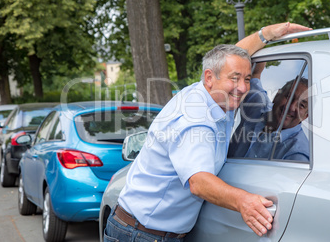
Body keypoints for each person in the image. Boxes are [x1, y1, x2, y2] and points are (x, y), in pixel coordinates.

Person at [104, 22, 312, 242]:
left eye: (247, 79)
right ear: (210, 77)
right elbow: (199, 182)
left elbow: (235, 58)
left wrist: (266, 34)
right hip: (140, 235)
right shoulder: (196, 118)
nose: (242, 87)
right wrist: (244, 201)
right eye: (235, 79)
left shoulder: (220, 97)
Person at [228, 74, 309, 162]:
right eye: (289, 97)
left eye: (301, 105)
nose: (291, 107)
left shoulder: (298, 155)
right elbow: (254, 77)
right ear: (277, 95)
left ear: (305, 116)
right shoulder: (257, 107)